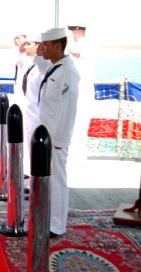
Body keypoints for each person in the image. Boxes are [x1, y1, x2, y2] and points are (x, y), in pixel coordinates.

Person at [38, 27, 80, 237]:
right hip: (47, 136)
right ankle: (50, 218)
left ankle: (57, 225)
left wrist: (59, 140)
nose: (41, 48)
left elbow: (68, 109)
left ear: (57, 46)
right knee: (50, 179)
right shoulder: (56, 66)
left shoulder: (67, 72)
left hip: (56, 138)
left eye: (45, 45)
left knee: (57, 181)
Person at [21, 34, 51, 178]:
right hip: (30, 115)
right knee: (31, 151)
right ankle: (34, 181)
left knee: (39, 154)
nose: (25, 47)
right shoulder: (34, 66)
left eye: (29, 44)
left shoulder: (47, 67)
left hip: (40, 118)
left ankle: (39, 187)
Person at [66, 25, 95, 167]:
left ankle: (78, 159)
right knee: (72, 125)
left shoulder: (86, 44)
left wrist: (69, 37)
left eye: (72, 29)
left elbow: (76, 52)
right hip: (73, 91)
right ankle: (73, 157)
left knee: (79, 125)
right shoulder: (73, 45)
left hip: (83, 92)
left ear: (79, 30)